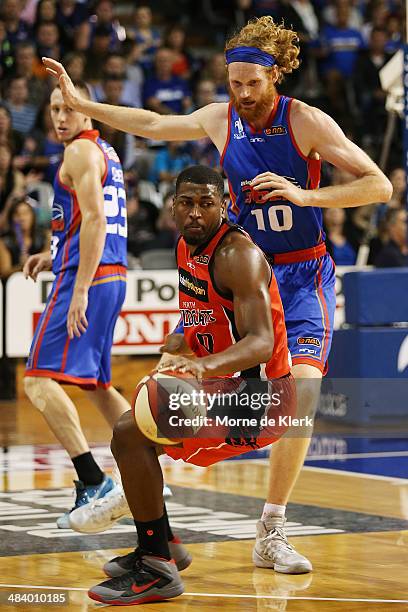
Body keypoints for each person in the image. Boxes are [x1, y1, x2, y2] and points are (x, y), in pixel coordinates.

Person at [43, 15, 392, 573]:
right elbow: (154, 123)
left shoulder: (306, 122)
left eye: (254, 83)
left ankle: (271, 529)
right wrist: (85, 108)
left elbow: (380, 184)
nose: (245, 93)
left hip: (301, 278)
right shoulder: (220, 119)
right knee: (195, 379)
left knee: (300, 396)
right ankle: (148, 494)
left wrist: (306, 196)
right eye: (236, 84)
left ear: (275, 76)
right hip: (237, 273)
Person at [85, 164, 295, 605]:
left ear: (224, 205)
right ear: (172, 206)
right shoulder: (185, 247)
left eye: (206, 203)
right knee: (129, 433)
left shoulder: (238, 256)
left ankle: (158, 566)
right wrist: (182, 338)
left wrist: (206, 366)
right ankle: (162, 547)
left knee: (130, 434)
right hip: (226, 384)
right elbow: (204, 309)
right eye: (186, 203)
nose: (195, 212)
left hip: (260, 398)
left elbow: (261, 342)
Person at [23, 81, 131, 529]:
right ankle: (148, 461)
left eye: (68, 108)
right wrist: (57, 251)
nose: (60, 117)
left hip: (88, 278)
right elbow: (88, 219)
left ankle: (93, 478)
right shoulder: (103, 151)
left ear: (88, 111)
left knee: (36, 381)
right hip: (112, 273)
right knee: (98, 384)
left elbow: (96, 220)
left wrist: (80, 287)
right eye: (53, 109)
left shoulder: (79, 153)